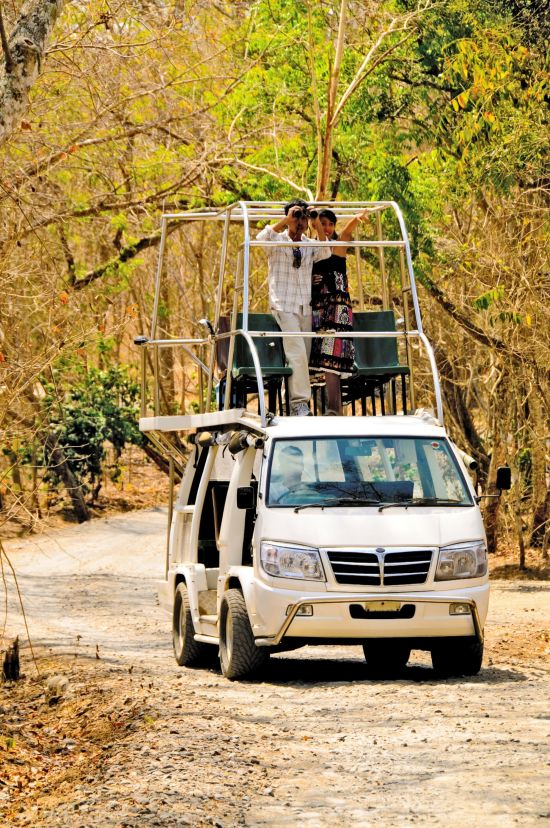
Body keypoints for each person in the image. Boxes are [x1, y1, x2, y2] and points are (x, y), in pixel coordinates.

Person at [257, 200, 331, 416]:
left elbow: (326, 252)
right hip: (283, 304)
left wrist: (316, 222)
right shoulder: (277, 240)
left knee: (300, 357)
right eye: (297, 216)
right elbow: (260, 239)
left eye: (303, 217)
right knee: (297, 354)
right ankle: (300, 403)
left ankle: (288, 403)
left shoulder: (309, 244)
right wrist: (286, 220)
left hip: (304, 306)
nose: (300, 221)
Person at [310, 207, 370, 416]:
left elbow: (346, 233)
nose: (327, 228)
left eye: (330, 224)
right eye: (323, 224)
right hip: (319, 308)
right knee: (323, 359)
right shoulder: (311, 249)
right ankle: (330, 408)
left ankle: (334, 408)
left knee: (332, 355)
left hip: (337, 308)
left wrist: (356, 219)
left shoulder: (336, 246)